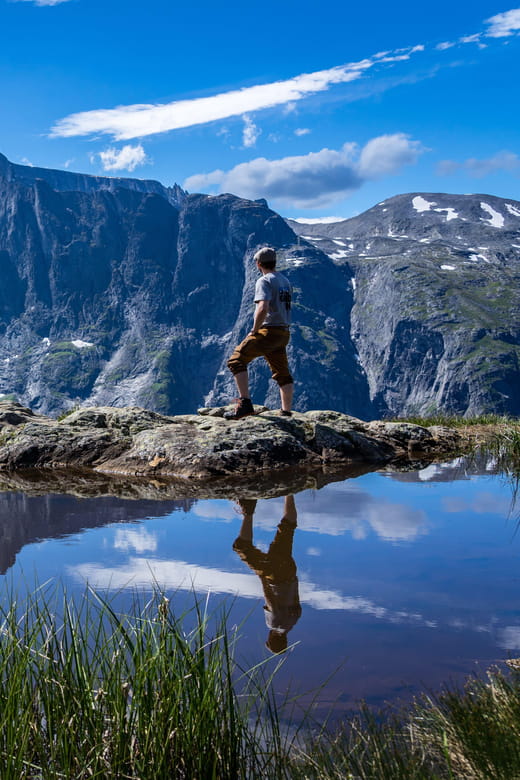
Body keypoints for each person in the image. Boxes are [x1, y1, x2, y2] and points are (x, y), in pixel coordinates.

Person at [225, 247, 293, 420]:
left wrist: (254, 331)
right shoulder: (285, 281)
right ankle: (286, 412)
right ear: (274, 262)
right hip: (283, 332)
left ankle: (245, 404)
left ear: (258, 263)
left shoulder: (264, 281)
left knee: (236, 360)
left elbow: (262, 307)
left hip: (269, 331)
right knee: (282, 372)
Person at [233, 495, 301, 654]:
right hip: (274, 577)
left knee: (287, 528)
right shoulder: (274, 624)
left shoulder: (294, 621)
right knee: (242, 549)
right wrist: (262, 578)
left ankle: (289, 493)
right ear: (272, 639)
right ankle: (248, 510)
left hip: (289, 572)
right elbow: (270, 601)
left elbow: (296, 596)